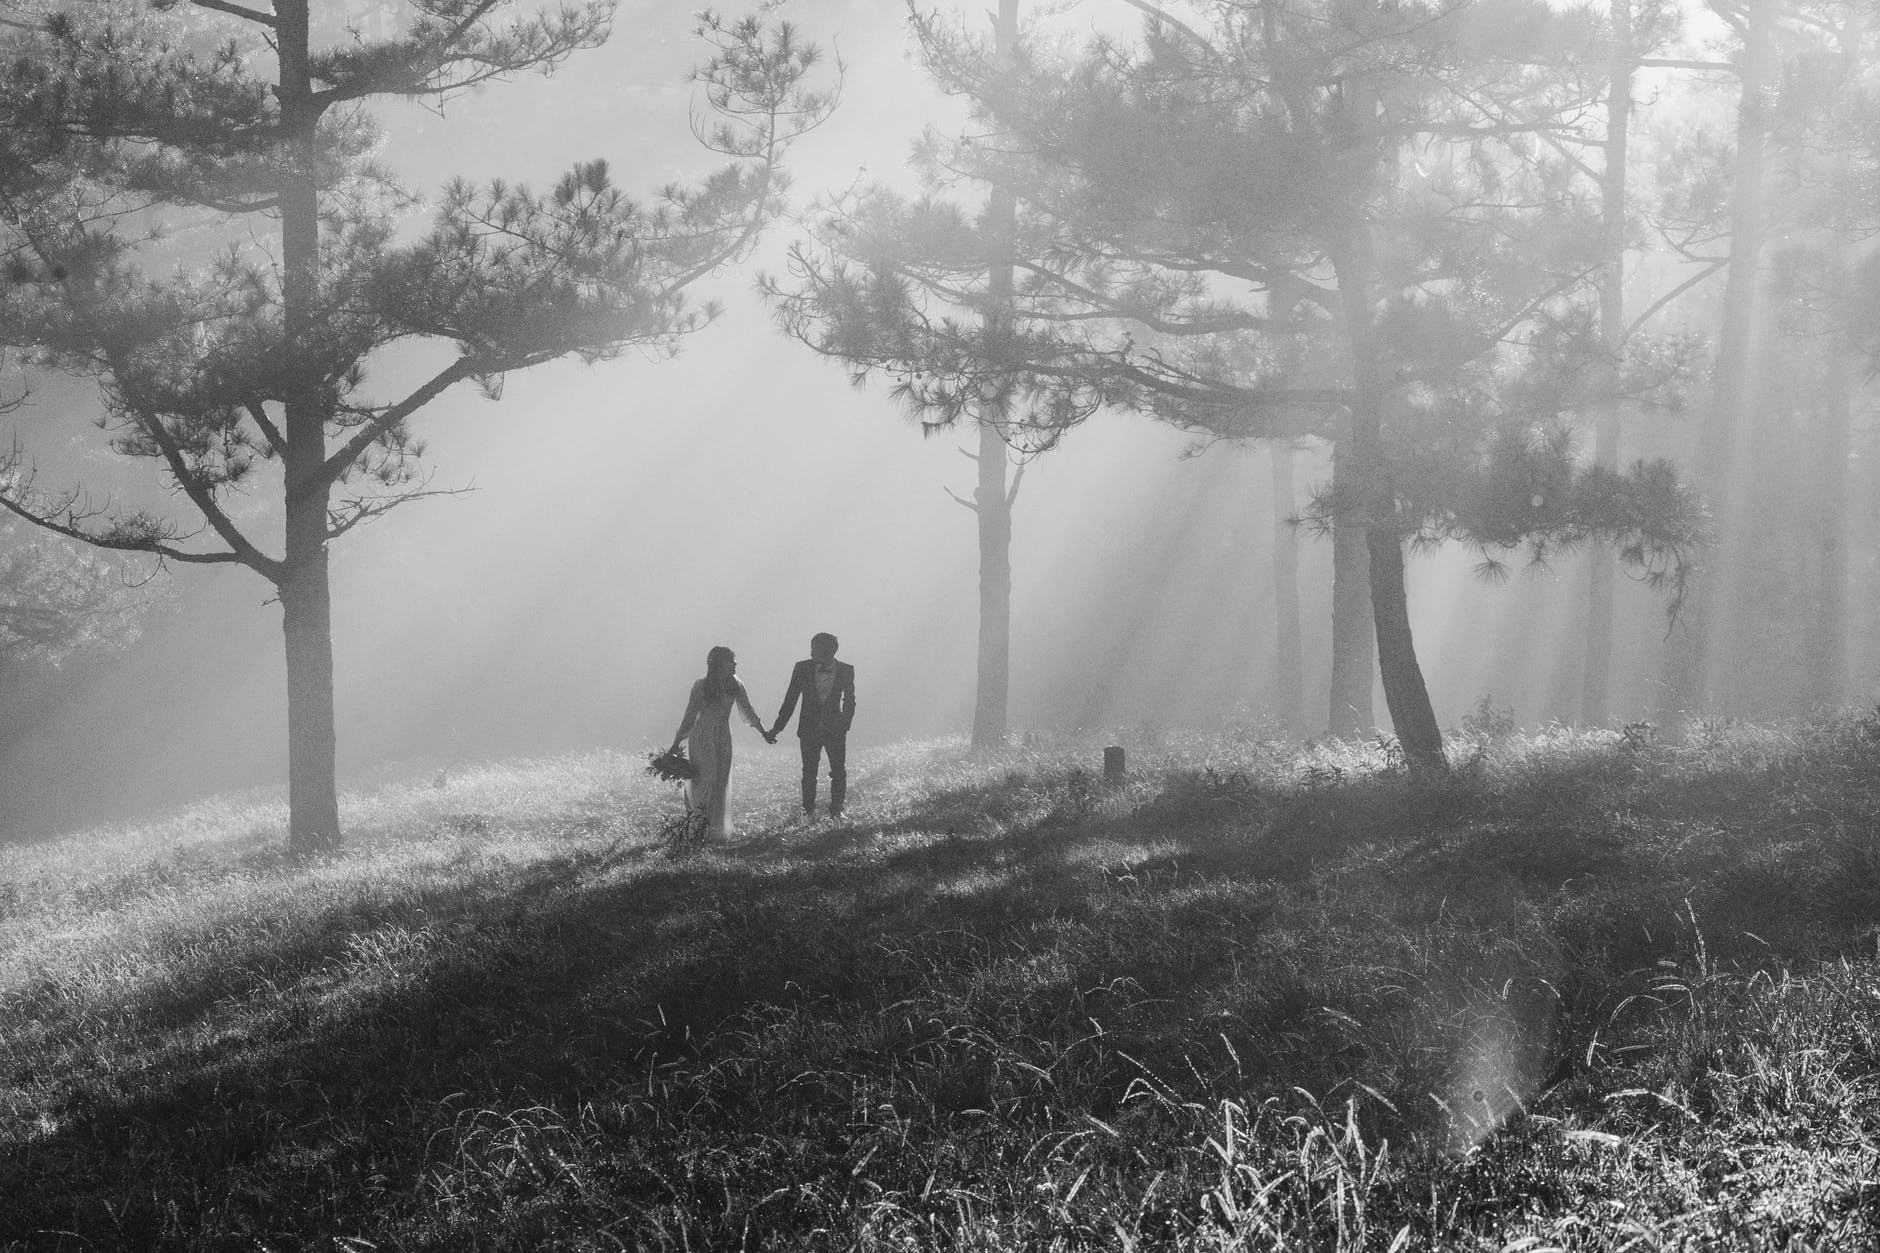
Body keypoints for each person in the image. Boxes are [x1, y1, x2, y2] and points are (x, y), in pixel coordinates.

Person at [668, 645, 773, 839]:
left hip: (723, 736)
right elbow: (689, 716)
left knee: (720, 780)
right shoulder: (701, 686)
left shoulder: (735, 684)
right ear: (719, 664)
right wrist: (676, 743)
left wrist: (763, 731)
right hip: (702, 735)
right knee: (706, 778)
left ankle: (714, 829)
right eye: (730, 660)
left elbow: (747, 710)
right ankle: (698, 826)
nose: (735, 664)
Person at [770, 632, 856, 819]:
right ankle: (808, 809)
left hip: (835, 729)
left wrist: (844, 724)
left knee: (838, 771)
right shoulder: (802, 668)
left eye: (815, 649)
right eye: (812, 648)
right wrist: (777, 728)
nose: (811, 653)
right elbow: (790, 699)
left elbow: (850, 700)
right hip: (809, 728)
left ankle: (837, 810)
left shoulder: (846, 670)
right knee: (808, 771)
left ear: (829, 651)